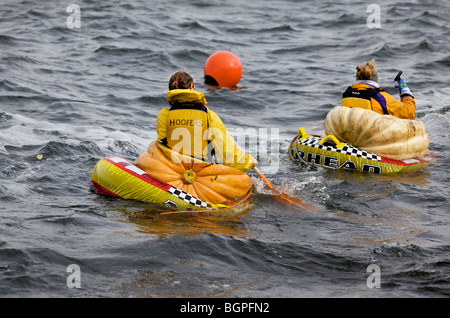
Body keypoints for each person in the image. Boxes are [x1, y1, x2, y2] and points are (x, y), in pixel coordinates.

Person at [155, 71, 257, 171]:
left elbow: (163, 144)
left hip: (172, 169)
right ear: (191, 87)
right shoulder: (208, 116)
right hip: (199, 172)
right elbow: (227, 153)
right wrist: (249, 161)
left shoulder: (164, 115)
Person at [341, 60, 416, 119]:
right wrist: (404, 90)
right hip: (371, 135)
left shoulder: (347, 94)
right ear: (375, 79)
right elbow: (409, 113)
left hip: (349, 134)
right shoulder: (380, 97)